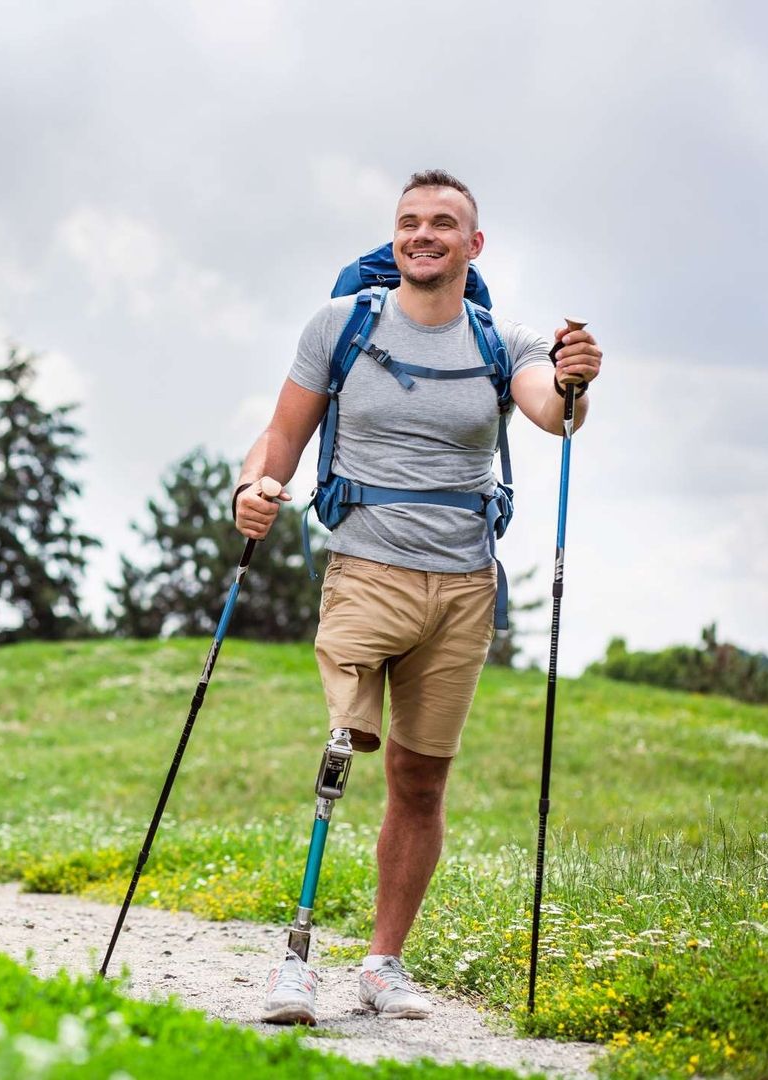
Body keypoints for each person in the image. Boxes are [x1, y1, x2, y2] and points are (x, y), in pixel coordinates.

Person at [235, 169, 603, 1025]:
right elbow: (282, 434)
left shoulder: (501, 340)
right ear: (394, 236)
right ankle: (294, 963)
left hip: (465, 585)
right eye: (408, 221)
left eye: (441, 223)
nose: (422, 234)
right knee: (341, 751)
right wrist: (253, 487)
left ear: (473, 245)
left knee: (420, 779)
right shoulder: (341, 325)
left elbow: (552, 412)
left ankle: (381, 963)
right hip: (364, 568)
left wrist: (575, 379)